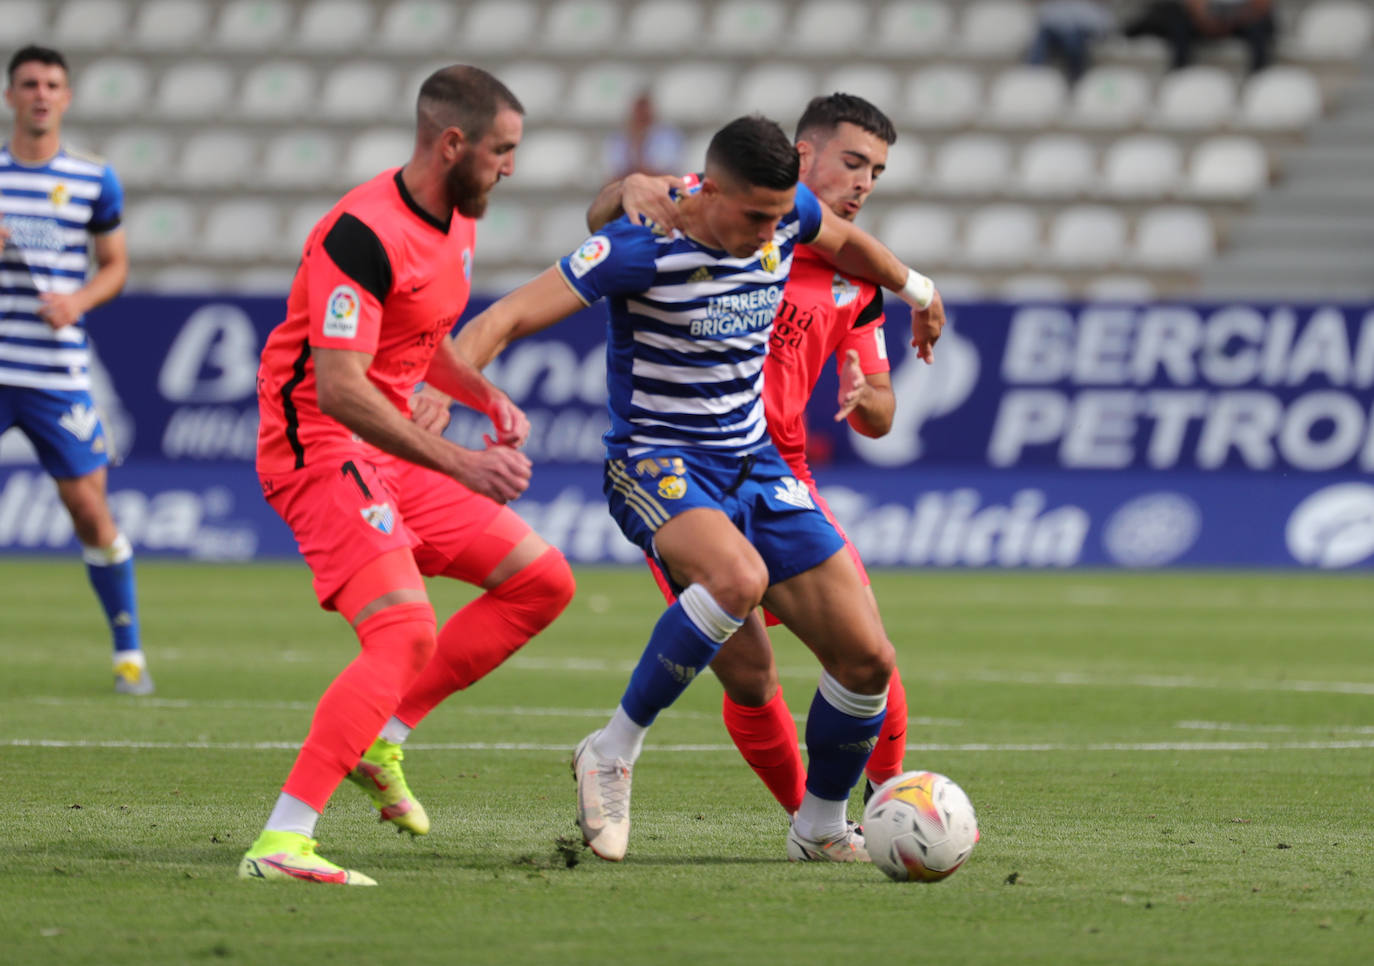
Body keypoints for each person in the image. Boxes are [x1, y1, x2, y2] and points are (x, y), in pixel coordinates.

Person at [455, 114, 945, 863]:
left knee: (867, 659)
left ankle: (818, 828)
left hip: (754, 462)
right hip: (656, 461)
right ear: (709, 190)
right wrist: (447, 390)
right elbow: (507, 316)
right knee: (737, 580)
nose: (770, 234)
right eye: (754, 216)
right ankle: (611, 751)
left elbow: (843, 243)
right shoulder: (639, 245)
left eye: (781, 218)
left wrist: (916, 288)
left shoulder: (787, 219)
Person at [238, 65, 576, 887]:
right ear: (452, 142)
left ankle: (384, 734)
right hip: (318, 452)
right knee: (403, 630)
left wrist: (483, 394)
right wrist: (465, 460)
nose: (510, 167)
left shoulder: (459, 219)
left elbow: (425, 344)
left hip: (385, 454)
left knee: (542, 582)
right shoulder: (362, 231)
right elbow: (341, 388)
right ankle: (283, 842)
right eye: (502, 150)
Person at [587, 94, 916, 824]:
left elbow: (884, 410)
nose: (864, 183)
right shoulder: (721, 210)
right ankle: (811, 819)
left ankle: (882, 814)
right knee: (749, 674)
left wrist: (867, 397)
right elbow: (616, 215)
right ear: (803, 157)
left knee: (868, 656)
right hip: (686, 476)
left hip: (779, 473)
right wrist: (627, 185)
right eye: (853, 162)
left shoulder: (851, 277)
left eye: (877, 173)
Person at [0, 46, 148, 695]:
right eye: (29, 83)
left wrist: (78, 301)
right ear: (10, 96)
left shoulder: (93, 179)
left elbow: (114, 265)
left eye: (52, 84)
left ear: (66, 98)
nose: (40, 94)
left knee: (88, 508)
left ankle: (128, 653)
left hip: (55, 372)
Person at [1123, 0, 1276, 73]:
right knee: (1177, 22)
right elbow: (1194, 6)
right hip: (1205, 21)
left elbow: (1262, 6)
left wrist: (1237, 18)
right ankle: (1179, 73)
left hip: (1243, 20)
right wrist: (1206, 18)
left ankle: (1259, 77)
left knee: (1262, 28)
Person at [1026, 1, 1118, 82]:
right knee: (1047, 36)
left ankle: (1075, 77)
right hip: (1054, 33)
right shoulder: (1054, 7)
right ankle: (1033, 75)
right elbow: (1045, 18)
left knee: (1072, 38)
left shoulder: (1094, 10)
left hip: (1079, 36)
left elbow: (1102, 27)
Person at [603, 91, 685, 181]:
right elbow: (614, 176)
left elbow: (664, 175)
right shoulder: (619, 137)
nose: (641, 115)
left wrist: (639, 148)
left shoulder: (667, 136)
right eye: (638, 110)